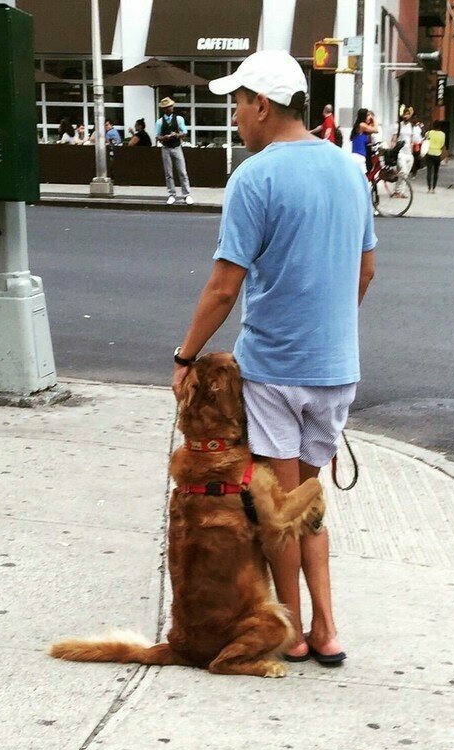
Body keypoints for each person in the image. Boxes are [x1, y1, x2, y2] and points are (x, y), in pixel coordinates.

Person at [171, 49, 376, 665]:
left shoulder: (254, 178)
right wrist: (328, 325)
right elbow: (365, 270)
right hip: (336, 370)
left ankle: (290, 631)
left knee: (278, 513)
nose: (234, 113)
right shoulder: (350, 170)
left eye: (237, 101)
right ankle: (328, 628)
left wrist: (186, 357)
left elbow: (224, 286)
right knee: (309, 503)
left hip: (276, 373)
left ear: (262, 105)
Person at [156, 97, 193, 205]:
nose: (171, 108)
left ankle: (186, 194)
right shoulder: (159, 122)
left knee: (182, 171)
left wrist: (176, 135)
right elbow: (157, 136)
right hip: (166, 148)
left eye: (171, 106)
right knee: (168, 173)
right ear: (165, 109)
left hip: (177, 147)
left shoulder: (179, 119)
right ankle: (171, 194)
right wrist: (164, 137)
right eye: (169, 107)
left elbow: (185, 132)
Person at [350, 108, 378, 173]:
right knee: (363, 179)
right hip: (358, 157)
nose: (369, 117)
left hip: (359, 156)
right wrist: (373, 118)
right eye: (367, 116)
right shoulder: (361, 125)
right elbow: (376, 130)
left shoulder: (360, 126)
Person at [424, 120, 448, 193]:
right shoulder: (443, 134)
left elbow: (425, 143)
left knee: (429, 171)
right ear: (440, 126)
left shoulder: (428, 133)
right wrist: (445, 156)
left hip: (429, 153)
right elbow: (443, 146)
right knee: (436, 172)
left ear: (433, 126)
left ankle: (429, 188)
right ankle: (434, 188)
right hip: (437, 154)